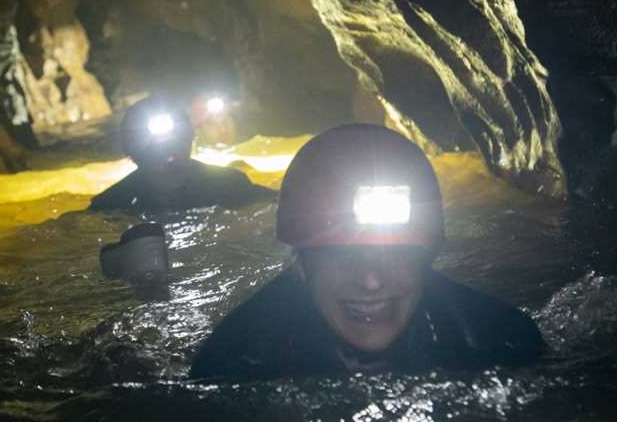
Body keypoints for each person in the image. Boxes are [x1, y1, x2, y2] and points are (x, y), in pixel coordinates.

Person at [189, 124, 545, 381]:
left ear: (427, 256)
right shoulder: (236, 364)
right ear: (301, 264)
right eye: (339, 255)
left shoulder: (501, 343)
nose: (371, 281)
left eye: (394, 254)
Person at [90, 96, 275, 212]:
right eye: (156, 148)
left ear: (190, 139)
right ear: (132, 152)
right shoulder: (110, 205)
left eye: (176, 142)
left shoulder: (230, 185)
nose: (168, 153)